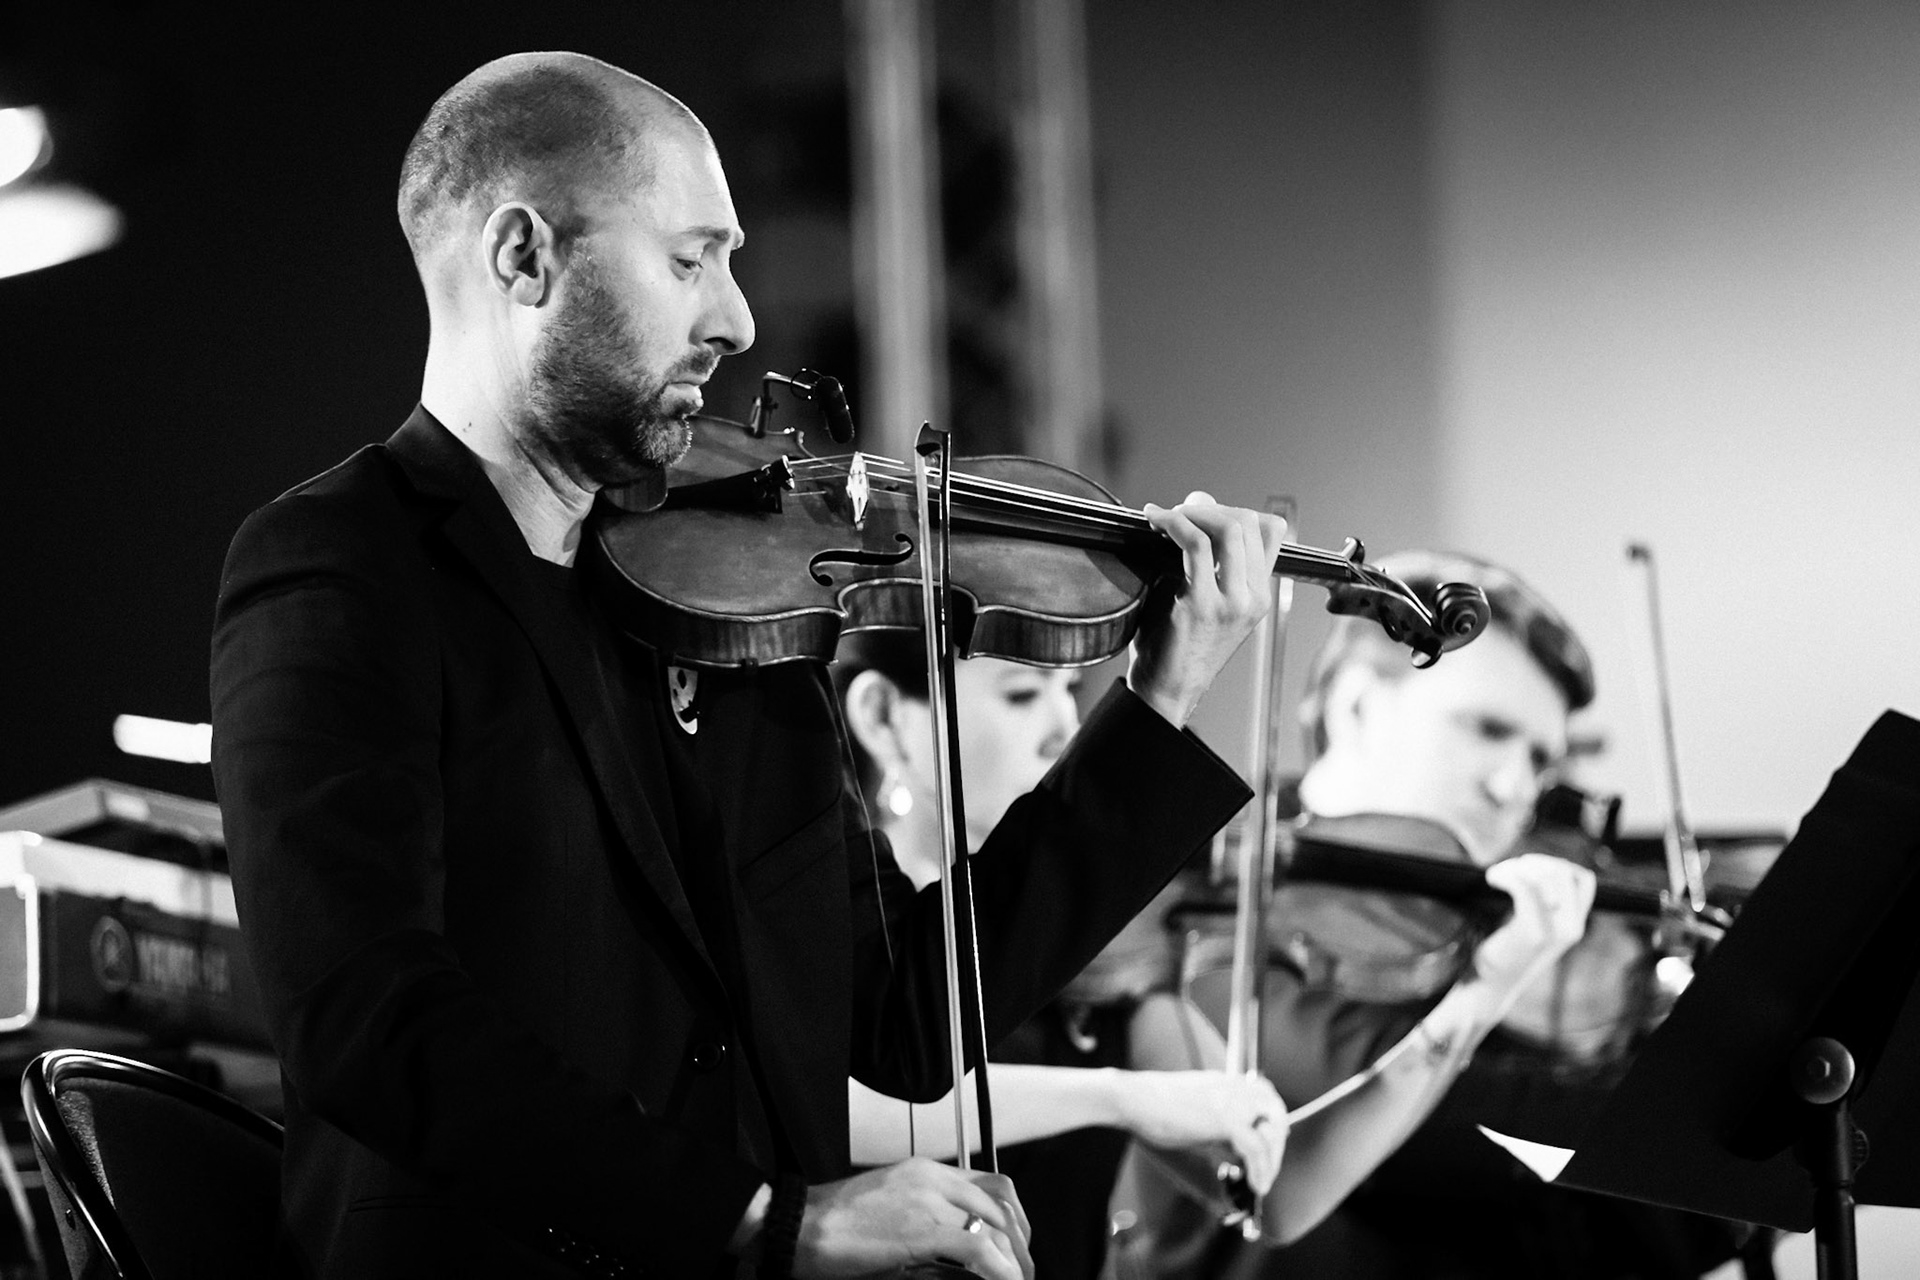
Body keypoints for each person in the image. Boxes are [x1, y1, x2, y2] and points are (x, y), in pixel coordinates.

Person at [208, 50, 1294, 1280]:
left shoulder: (731, 590)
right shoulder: (343, 562)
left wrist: (1164, 697)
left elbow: (899, 1018)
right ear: (525, 258)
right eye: (688, 261)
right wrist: (771, 1223)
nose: (737, 319)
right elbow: (372, 1019)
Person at [1115, 550, 1631, 1277]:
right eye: (1487, 730)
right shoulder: (1227, 915)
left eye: (1541, 760)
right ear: (1356, 705)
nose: (1514, 785)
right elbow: (1475, 1140)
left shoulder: (1466, 931)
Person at [834, 636, 1291, 1279]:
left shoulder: (1107, 966)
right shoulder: (815, 930)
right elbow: (847, 1101)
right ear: (884, 715)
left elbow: (1272, 1189)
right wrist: (1115, 1096)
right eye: (1023, 694)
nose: (1068, 732)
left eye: (1071, 690)